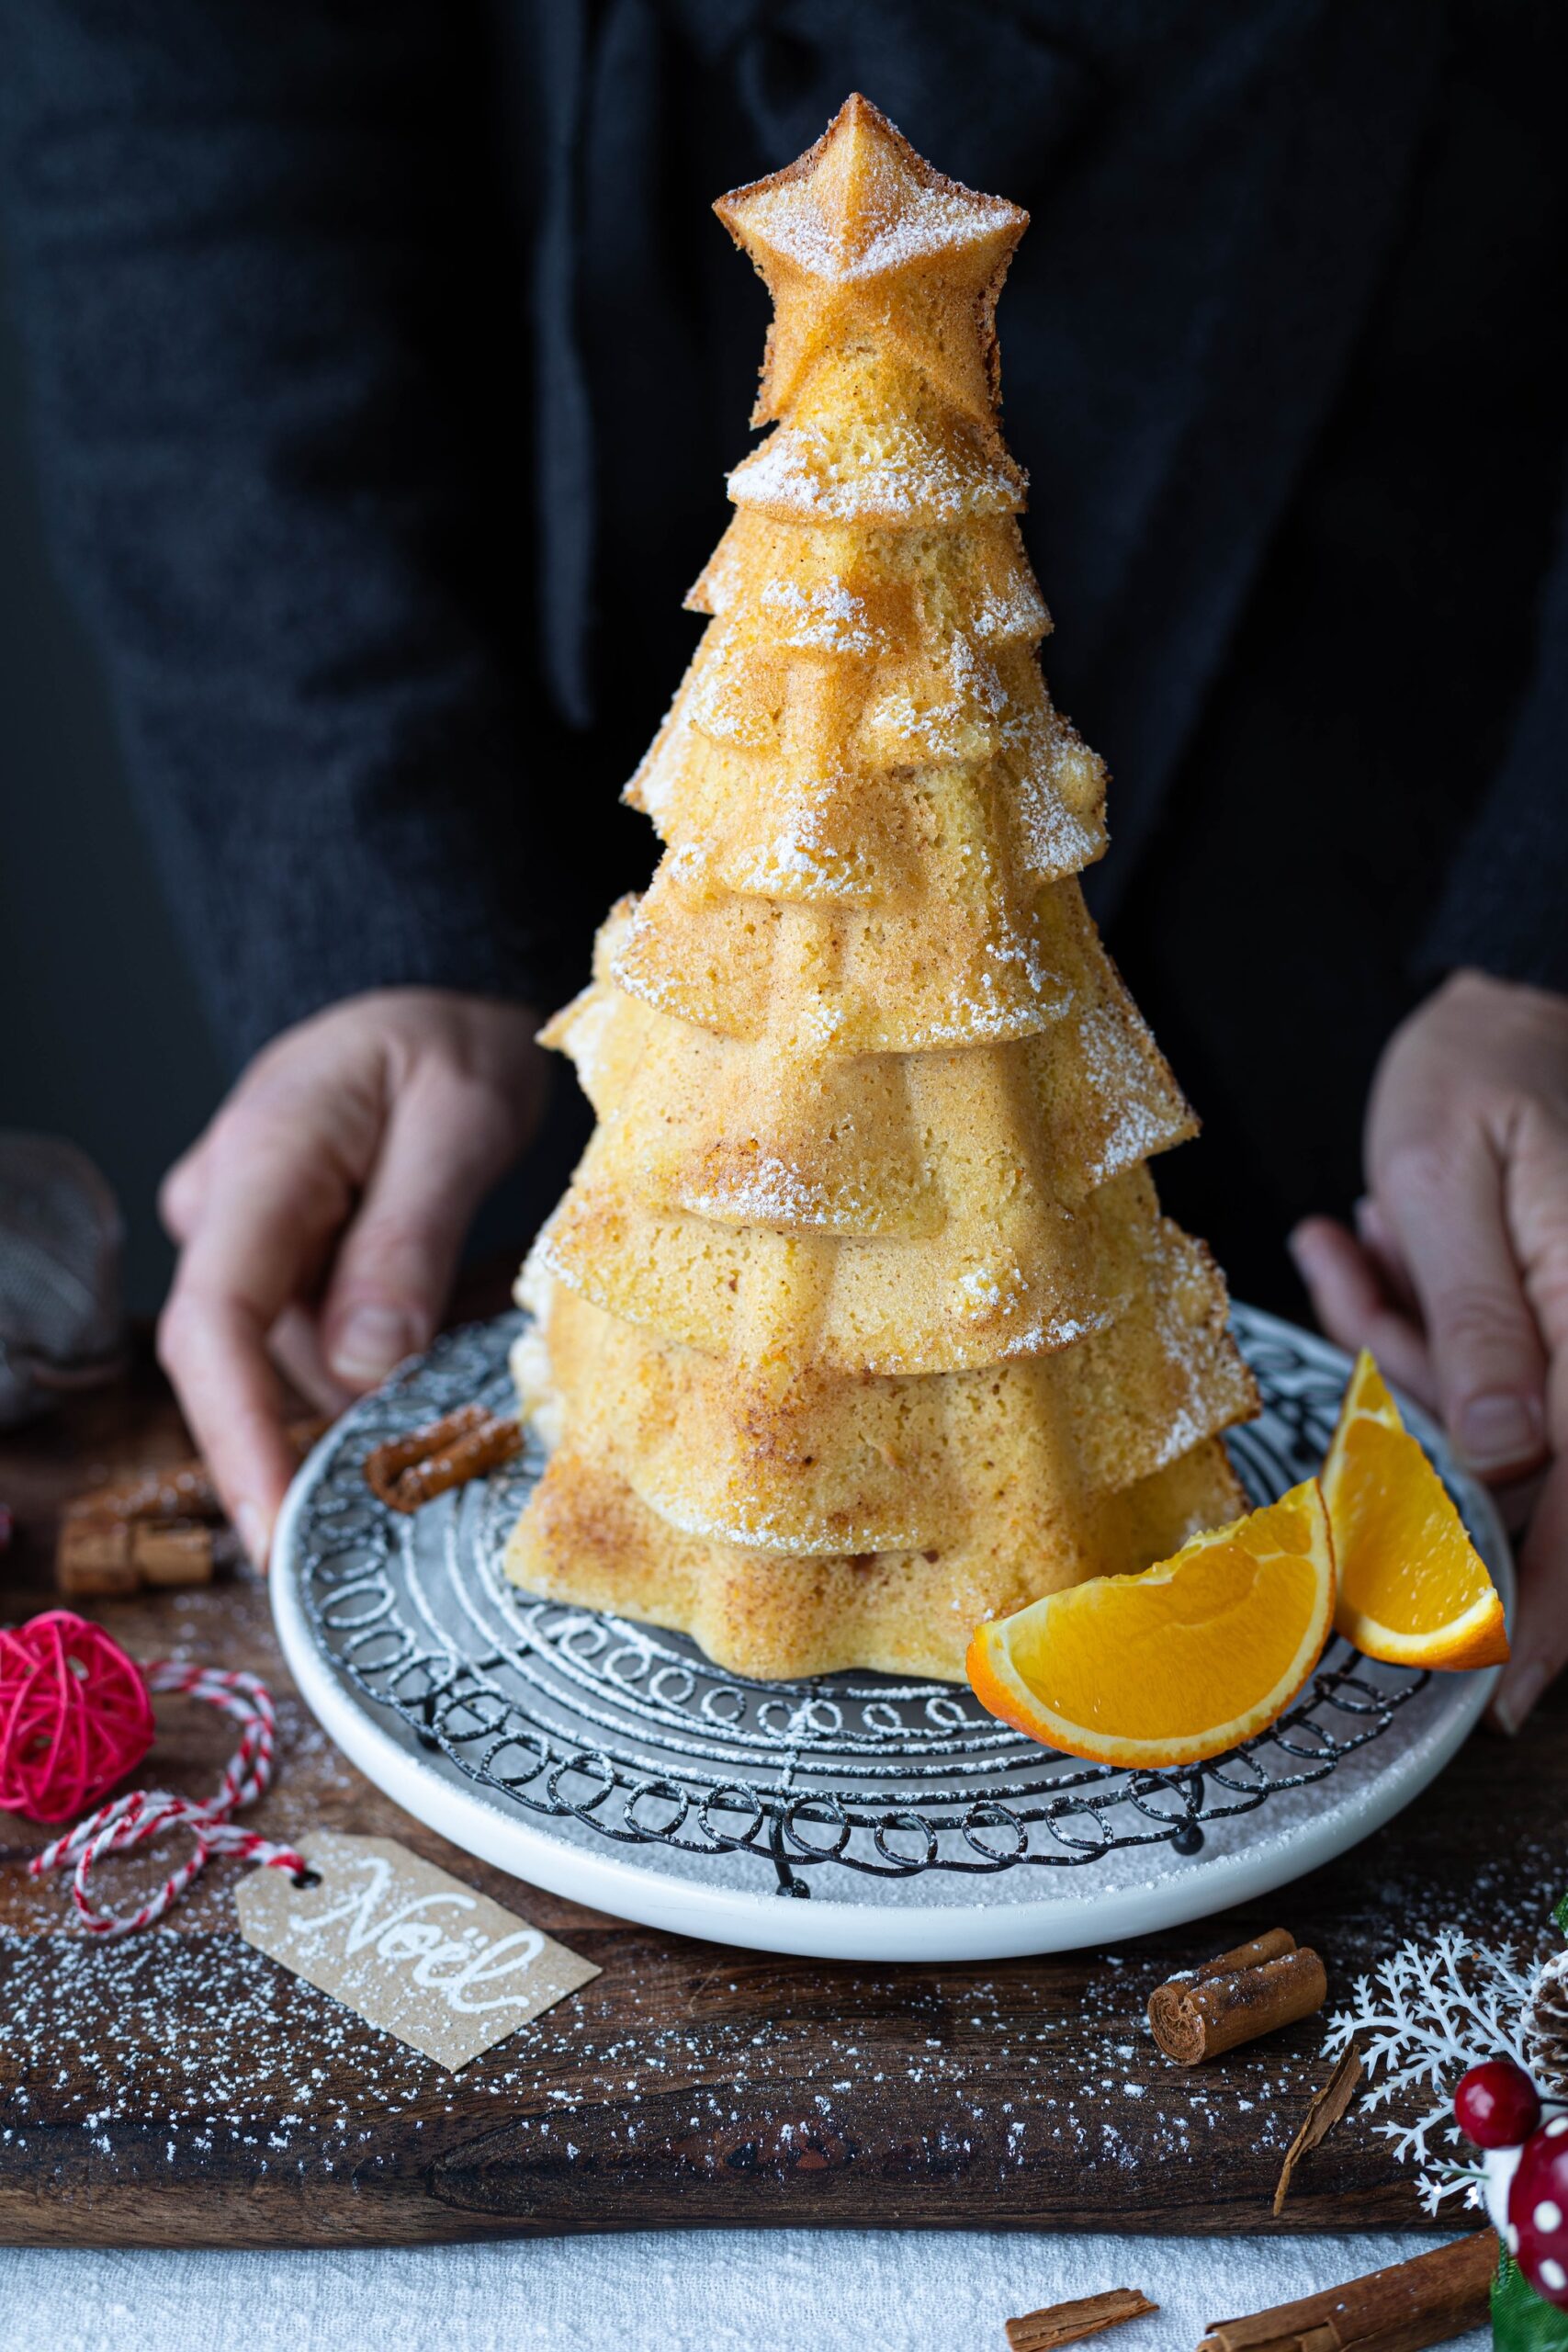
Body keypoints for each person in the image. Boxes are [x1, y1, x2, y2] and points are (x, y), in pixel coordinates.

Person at [3, 2, 1565, 1731]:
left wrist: (1540, 939)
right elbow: (181, 88)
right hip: (578, 822)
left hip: (1397, 751)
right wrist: (376, 898)